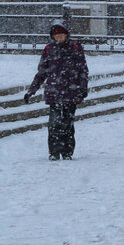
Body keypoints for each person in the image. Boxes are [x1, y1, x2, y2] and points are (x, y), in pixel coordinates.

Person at [23, 18, 89, 161]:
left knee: (67, 124)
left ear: (67, 34)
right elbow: (42, 73)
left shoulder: (76, 47)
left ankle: (67, 151)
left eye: (61, 34)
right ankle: (54, 151)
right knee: (54, 124)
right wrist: (31, 90)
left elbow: (83, 70)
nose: (58, 37)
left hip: (71, 93)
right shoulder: (49, 49)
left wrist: (83, 88)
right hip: (54, 93)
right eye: (56, 35)